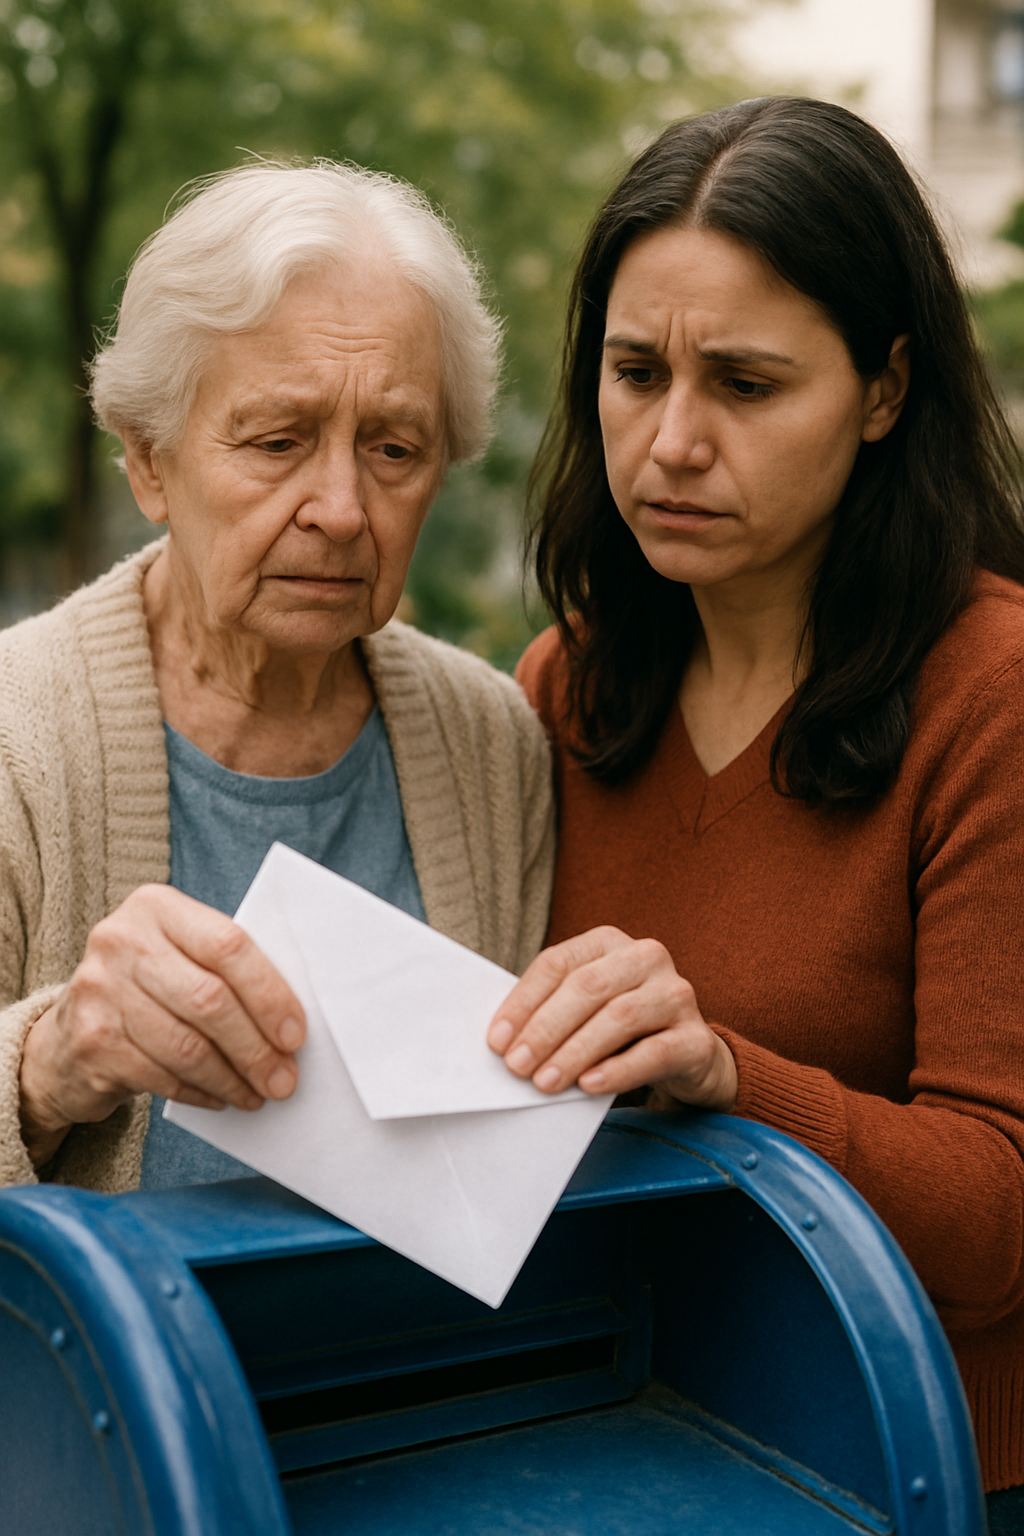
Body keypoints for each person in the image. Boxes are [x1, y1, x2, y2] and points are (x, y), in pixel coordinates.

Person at [488, 97, 1024, 1512]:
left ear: (887, 391)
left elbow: (997, 1210)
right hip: (619, 1437)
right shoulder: (566, 684)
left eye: (746, 383)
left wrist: (727, 1079)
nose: (671, 441)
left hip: (928, 1470)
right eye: (635, 370)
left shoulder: (997, 695)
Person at [0, 159, 553, 1195]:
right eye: (278, 440)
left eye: (394, 448)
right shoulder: (13, 737)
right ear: (149, 461)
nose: (341, 508)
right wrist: (47, 1062)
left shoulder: (494, 741)